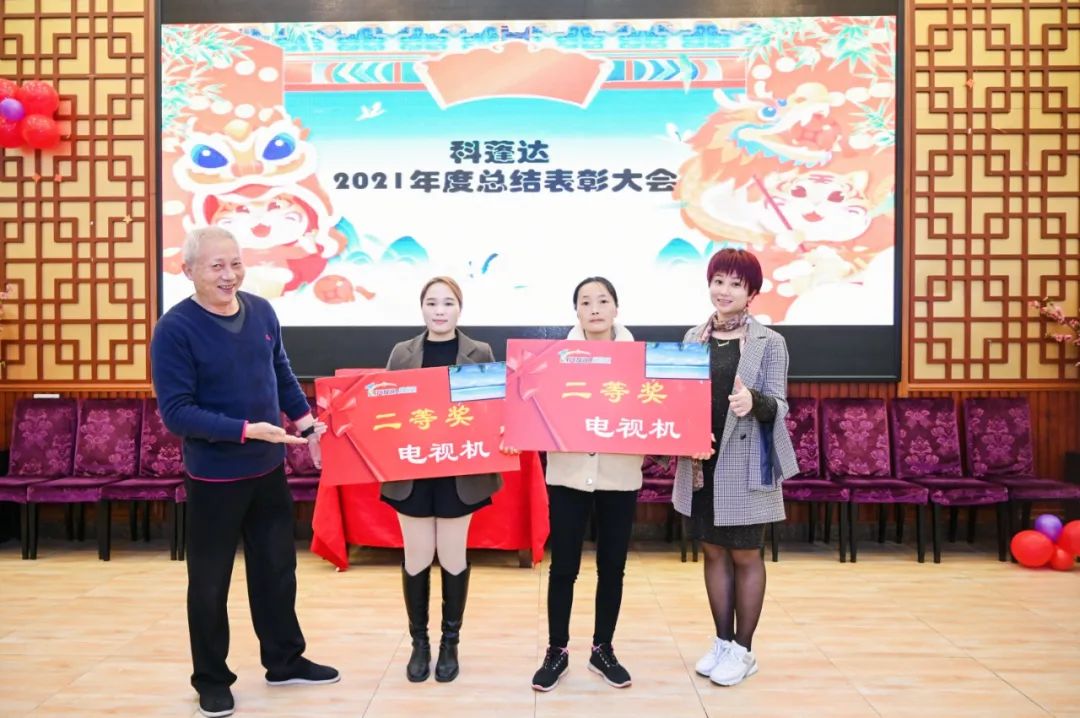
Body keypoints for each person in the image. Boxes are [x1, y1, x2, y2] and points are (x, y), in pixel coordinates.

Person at [151, 227, 339, 718]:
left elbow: (281, 373)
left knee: (277, 570)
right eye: (216, 266)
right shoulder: (174, 329)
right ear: (188, 270)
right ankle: (211, 679)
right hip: (214, 478)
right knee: (210, 582)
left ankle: (284, 660)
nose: (229, 275)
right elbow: (177, 413)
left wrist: (308, 426)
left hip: (267, 470)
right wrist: (244, 430)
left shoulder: (262, 311)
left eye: (235, 263)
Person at [672, 248, 799, 687]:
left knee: (745, 554)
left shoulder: (770, 342)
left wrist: (754, 401)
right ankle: (723, 642)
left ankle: (744, 650)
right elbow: (680, 397)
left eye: (735, 284)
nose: (723, 291)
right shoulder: (693, 337)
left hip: (745, 464)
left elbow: (780, 404)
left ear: (752, 293)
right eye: (718, 281)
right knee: (712, 551)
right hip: (700, 463)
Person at [382, 276, 505, 684]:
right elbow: (385, 411)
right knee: (416, 557)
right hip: (413, 470)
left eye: (448, 303)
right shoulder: (401, 353)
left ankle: (450, 643)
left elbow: (492, 409)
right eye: (432, 302)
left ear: (459, 308)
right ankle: (420, 643)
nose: (439, 310)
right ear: (421, 307)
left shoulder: (480, 352)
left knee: (453, 557)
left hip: (459, 472)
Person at [530, 277, 643, 692]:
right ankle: (556, 650)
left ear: (616, 308)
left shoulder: (641, 360)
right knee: (563, 567)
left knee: (612, 567)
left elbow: (657, 411)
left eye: (603, 300)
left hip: (620, 473)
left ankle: (602, 649)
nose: (594, 309)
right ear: (576, 311)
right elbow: (535, 409)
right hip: (568, 473)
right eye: (585, 302)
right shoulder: (553, 361)